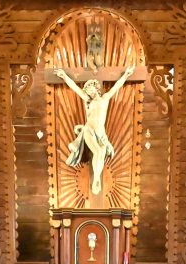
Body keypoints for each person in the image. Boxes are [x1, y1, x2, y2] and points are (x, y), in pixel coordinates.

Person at [53, 65, 135, 195]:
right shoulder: (88, 101)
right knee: (97, 151)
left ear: (95, 88)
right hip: (89, 130)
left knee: (102, 152)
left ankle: (97, 176)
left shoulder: (105, 99)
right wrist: (64, 76)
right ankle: (96, 180)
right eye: (87, 91)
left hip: (101, 133)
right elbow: (75, 88)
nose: (89, 93)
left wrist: (126, 75)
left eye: (90, 89)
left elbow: (116, 87)